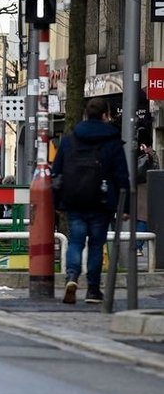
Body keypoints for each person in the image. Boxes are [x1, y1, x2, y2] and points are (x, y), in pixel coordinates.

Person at [52, 98, 130, 305]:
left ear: (86, 115)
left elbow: (57, 172)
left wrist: (57, 202)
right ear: (106, 115)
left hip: (74, 199)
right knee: (96, 244)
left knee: (76, 241)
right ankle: (93, 290)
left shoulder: (70, 139)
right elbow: (121, 175)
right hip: (101, 201)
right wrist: (126, 206)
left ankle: (71, 277)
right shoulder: (112, 141)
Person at [135, 142, 159, 256]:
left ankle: (137, 246)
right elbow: (156, 167)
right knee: (142, 218)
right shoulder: (149, 154)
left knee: (140, 218)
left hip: (138, 187)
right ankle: (137, 246)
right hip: (144, 187)